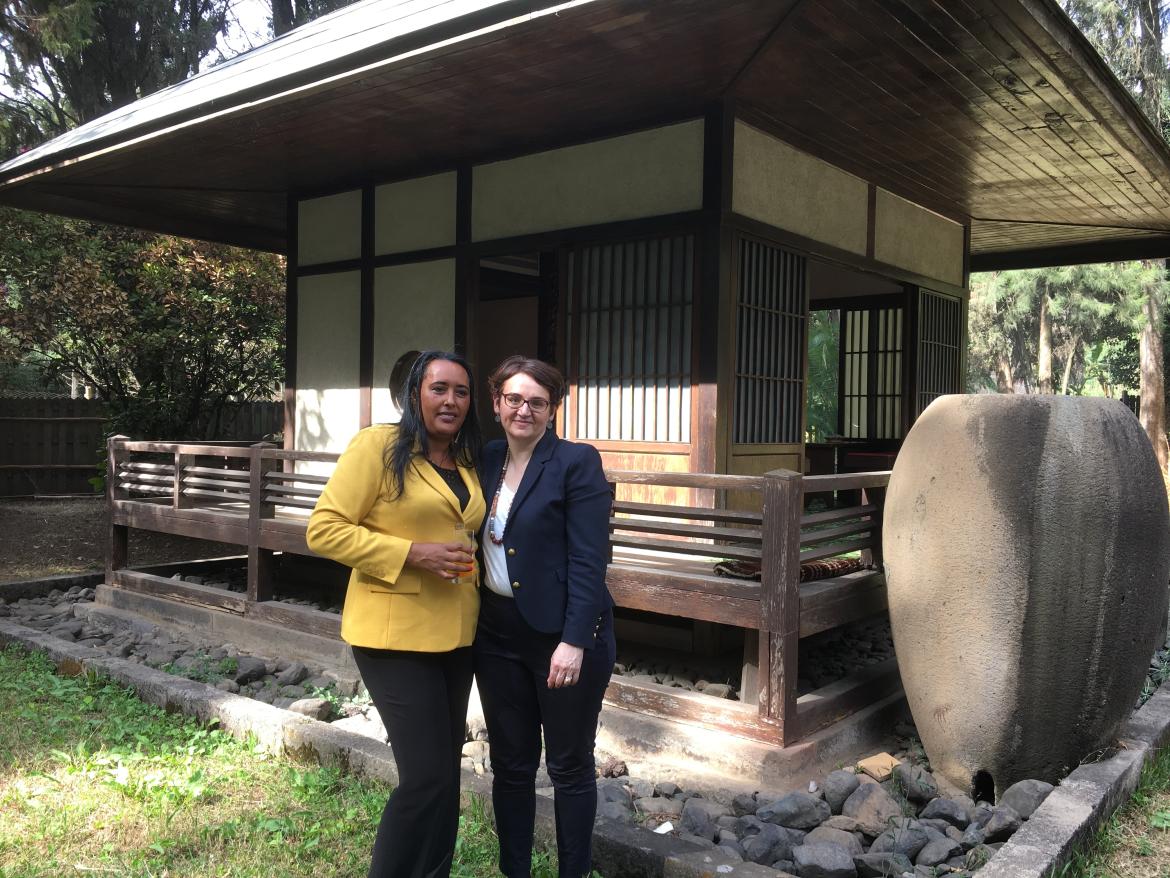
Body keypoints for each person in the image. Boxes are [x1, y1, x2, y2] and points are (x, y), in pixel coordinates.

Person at [306, 350, 484, 878]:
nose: (451, 400)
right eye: (439, 388)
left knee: (444, 777)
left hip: (456, 634)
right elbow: (325, 529)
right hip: (392, 636)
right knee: (424, 777)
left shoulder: (466, 458)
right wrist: (412, 553)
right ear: (413, 395)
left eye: (461, 391)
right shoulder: (379, 446)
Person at [474, 355, 615, 878]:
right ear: (496, 403)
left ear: (552, 409)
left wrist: (575, 640)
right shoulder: (487, 458)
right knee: (511, 767)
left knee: (569, 766)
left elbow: (589, 557)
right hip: (495, 634)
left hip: (563, 637)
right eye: (514, 399)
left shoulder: (575, 462)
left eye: (537, 402)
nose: (524, 410)